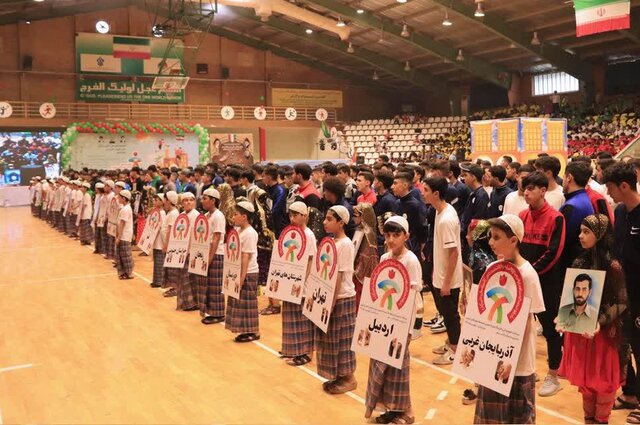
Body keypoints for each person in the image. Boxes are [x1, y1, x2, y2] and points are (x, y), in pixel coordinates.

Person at [474, 214, 545, 425]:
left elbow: (526, 321)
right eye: (490, 236)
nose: (490, 242)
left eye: (496, 237)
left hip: (519, 361)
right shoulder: (491, 269)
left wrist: (510, 359)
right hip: (492, 355)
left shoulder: (527, 274)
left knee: (518, 416)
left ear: (513, 240)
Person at [558, 214, 627, 424]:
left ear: (600, 235)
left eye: (586, 232)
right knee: (586, 382)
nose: (580, 236)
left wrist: (602, 320)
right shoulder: (579, 261)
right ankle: (589, 420)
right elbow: (571, 296)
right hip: (582, 330)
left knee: (604, 383)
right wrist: (562, 315)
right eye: (580, 231)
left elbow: (623, 302)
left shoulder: (613, 266)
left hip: (605, 333)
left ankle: (601, 420)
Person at [364, 216, 420, 425]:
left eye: (396, 235)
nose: (390, 239)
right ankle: (392, 408)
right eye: (387, 235)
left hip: (401, 324)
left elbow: (412, 296)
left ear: (406, 236)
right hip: (383, 322)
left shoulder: (411, 260)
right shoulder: (384, 258)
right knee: (383, 368)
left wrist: (407, 330)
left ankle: (407, 411)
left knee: (398, 369)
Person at [518, 170, 566, 397]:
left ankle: (554, 375)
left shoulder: (556, 217)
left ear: (543, 190)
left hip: (546, 283)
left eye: (531, 189)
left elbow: (553, 253)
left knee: (550, 330)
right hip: (522, 282)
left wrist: (529, 272)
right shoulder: (521, 215)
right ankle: (526, 370)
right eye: (524, 189)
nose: (526, 193)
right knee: (521, 327)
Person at [602, 162, 640, 419]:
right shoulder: (620, 211)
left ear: (625, 186)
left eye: (611, 187)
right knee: (625, 345)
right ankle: (631, 393)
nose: (608, 192)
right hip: (623, 293)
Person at [421, 176, 463, 366]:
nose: (423, 193)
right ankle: (452, 342)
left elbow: (453, 252)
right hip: (441, 273)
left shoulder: (446, 218)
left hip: (449, 278)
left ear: (436, 194)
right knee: (447, 314)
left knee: (451, 315)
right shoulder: (440, 212)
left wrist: (446, 282)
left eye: (426, 190)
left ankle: (456, 350)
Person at [317, 205, 357, 395]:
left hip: (341, 298)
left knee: (343, 340)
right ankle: (339, 376)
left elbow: (339, 277)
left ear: (341, 223)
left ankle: (349, 378)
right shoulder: (331, 243)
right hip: (330, 297)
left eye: (330, 219)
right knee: (332, 339)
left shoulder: (346, 244)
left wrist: (330, 304)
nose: (325, 222)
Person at [280, 201, 317, 366]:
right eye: (290, 214)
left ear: (304, 216)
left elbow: (310, 260)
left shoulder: (308, 235)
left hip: (303, 282)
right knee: (291, 315)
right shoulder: (290, 232)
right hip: (290, 279)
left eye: (296, 215)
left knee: (302, 318)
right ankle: (294, 349)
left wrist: (302, 280)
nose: (292, 218)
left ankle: (306, 353)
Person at [225, 201, 261, 343]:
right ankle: (246, 330)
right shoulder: (239, 231)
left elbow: (246, 256)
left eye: (236, 214)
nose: (233, 217)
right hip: (237, 271)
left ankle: (255, 331)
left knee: (249, 303)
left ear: (244, 217)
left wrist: (241, 278)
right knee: (241, 303)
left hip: (248, 272)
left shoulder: (250, 233)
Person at [560, 162, 595, 270]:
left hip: (570, 263)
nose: (562, 181)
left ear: (569, 178)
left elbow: (561, 240)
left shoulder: (572, 206)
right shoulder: (583, 198)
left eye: (564, 177)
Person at [199, 188, 226, 324]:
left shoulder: (218, 216)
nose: (202, 201)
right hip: (207, 253)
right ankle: (212, 311)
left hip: (216, 253)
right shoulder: (207, 215)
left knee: (216, 285)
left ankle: (219, 313)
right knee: (209, 284)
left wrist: (209, 259)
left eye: (205, 198)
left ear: (213, 200)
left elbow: (216, 238)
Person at [392, 172, 426, 259]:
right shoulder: (397, 203)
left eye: (395, 183)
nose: (392, 187)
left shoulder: (415, 205)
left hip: (412, 246)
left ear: (405, 185)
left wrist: (421, 246)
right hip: (397, 244)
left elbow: (420, 228)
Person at [352, 203, 378, 310]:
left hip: (362, 273)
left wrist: (356, 271)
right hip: (355, 267)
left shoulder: (368, 233)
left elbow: (368, 256)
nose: (354, 218)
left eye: (356, 215)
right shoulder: (359, 229)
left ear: (363, 216)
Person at [177, 192, 200, 311]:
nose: (188, 202)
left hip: (191, 251)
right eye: (185, 200)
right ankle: (187, 302)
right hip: (181, 251)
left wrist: (189, 251)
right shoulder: (181, 215)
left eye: (191, 200)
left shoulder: (196, 215)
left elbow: (194, 235)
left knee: (191, 278)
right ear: (182, 203)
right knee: (184, 278)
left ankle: (192, 303)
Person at [460, 163, 489, 242]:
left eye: (466, 175)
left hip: (474, 240)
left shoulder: (482, 196)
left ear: (473, 177)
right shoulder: (473, 193)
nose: (463, 178)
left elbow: (480, 222)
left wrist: (472, 239)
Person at [162, 191, 180, 298]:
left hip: (171, 245)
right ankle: (173, 287)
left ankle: (175, 288)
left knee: (173, 268)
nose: (164, 202)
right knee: (169, 267)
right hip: (169, 244)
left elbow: (170, 230)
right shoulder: (170, 212)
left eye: (165, 199)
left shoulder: (174, 213)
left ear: (169, 201)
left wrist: (166, 244)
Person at [115, 190, 134, 280]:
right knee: (121, 254)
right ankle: (123, 272)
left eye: (119, 197)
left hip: (124, 235)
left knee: (126, 255)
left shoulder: (126, 209)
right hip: (123, 235)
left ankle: (129, 273)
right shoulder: (125, 208)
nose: (118, 198)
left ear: (124, 198)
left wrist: (119, 237)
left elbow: (122, 224)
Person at [149, 193, 167, 289]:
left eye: (157, 200)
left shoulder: (163, 213)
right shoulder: (156, 212)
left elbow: (163, 229)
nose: (155, 202)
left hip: (160, 241)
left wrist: (165, 242)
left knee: (159, 262)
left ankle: (159, 281)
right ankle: (156, 280)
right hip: (156, 240)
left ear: (162, 201)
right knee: (156, 262)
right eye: (154, 200)